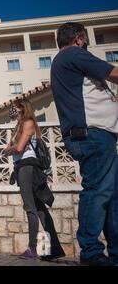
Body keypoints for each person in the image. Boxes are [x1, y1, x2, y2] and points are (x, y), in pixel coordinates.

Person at [51, 22, 118, 266]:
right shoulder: (74, 54)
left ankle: (111, 252)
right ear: (79, 38)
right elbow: (113, 73)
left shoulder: (65, 60)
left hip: (97, 135)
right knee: (99, 192)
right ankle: (90, 253)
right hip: (93, 135)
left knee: (111, 196)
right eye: (85, 39)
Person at [4, 99, 65, 260]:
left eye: (16, 107)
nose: (13, 109)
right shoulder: (19, 126)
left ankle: (32, 249)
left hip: (27, 167)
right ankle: (53, 250)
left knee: (31, 208)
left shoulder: (28, 122)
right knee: (39, 209)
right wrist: (11, 149)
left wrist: (9, 150)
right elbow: (12, 148)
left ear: (23, 109)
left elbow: (18, 148)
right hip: (22, 167)